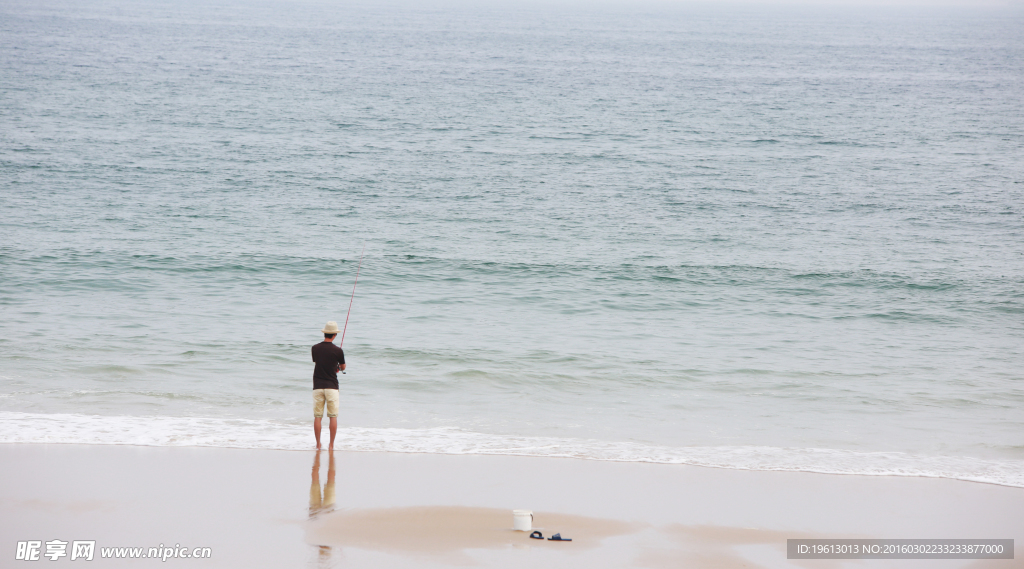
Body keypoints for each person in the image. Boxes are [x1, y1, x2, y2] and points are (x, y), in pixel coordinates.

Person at [312, 321, 346, 450]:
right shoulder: (338, 350)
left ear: (324, 333)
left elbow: (319, 362)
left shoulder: (314, 348)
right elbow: (343, 367)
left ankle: (318, 444)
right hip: (332, 386)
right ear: (334, 335)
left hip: (317, 386)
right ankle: (331, 445)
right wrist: (337, 368)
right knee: (333, 416)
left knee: (317, 416)